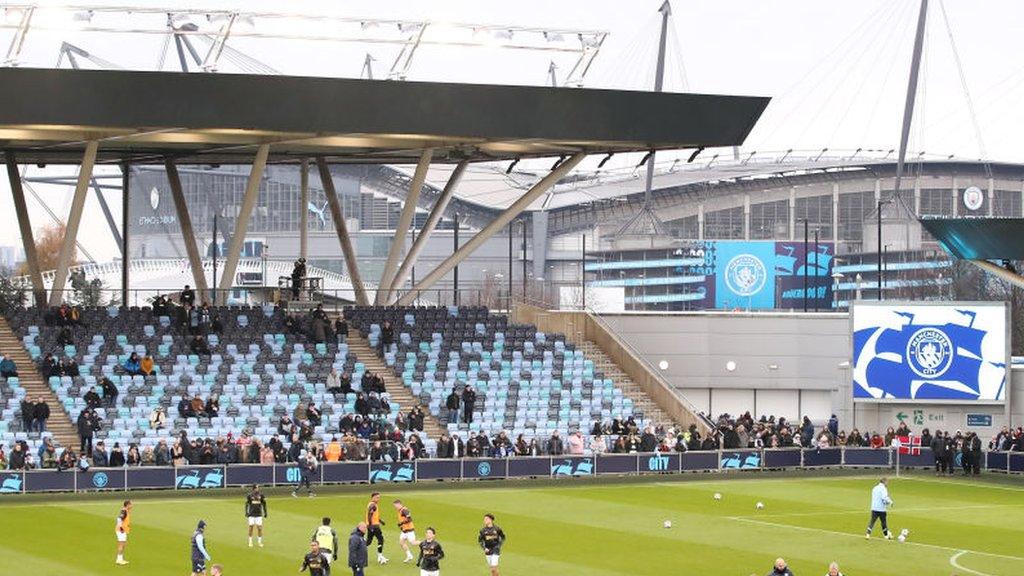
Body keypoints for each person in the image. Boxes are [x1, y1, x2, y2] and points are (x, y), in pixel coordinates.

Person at [366, 492, 388, 564]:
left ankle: (358, 549)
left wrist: (381, 521)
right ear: (373, 497)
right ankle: (380, 556)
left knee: (369, 541)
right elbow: (369, 515)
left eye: (379, 497)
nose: (378, 499)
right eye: (377, 497)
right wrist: (370, 525)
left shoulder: (372, 504)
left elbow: (373, 516)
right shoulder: (373, 505)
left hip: (373, 525)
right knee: (381, 539)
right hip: (374, 526)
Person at [393, 499, 416, 563]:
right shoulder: (400, 511)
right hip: (404, 530)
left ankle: (424, 543)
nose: (395, 507)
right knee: (401, 542)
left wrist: (401, 523)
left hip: (409, 530)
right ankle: (409, 555)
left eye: (395, 506)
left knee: (413, 543)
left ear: (399, 504)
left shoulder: (404, 510)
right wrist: (401, 526)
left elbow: (409, 519)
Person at [113, 499, 133, 565]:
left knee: (123, 545)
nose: (132, 505)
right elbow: (119, 519)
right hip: (121, 530)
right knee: (121, 545)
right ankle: (118, 560)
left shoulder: (126, 511)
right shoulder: (124, 511)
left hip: (123, 530)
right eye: (131, 504)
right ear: (127, 505)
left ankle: (120, 559)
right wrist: (121, 527)